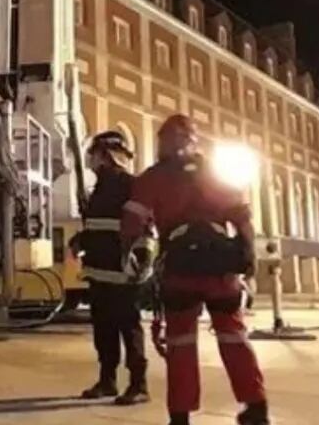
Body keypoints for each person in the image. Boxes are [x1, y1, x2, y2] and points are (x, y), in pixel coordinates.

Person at [121, 115, 269, 425]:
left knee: (180, 343)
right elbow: (242, 217)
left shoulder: (153, 177)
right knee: (233, 335)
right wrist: (248, 256)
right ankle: (255, 406)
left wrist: (132, 259)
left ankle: (180, 415)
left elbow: (133, 223)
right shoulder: (214, 173)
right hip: (221, 269)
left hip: (180, 270)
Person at [78, 131, 149, 405]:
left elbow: (144, 227)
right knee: (103, 328)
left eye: (94, 154)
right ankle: (107, 380)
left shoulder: (131, 185)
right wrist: (81, 240)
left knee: (129, 328)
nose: (91, 160)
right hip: (100, 270)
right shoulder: (99, 188)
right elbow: (100, 226)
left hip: (123, 271)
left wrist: (140, 262)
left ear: (106, 155)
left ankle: (138, 384)